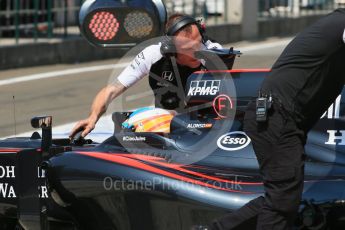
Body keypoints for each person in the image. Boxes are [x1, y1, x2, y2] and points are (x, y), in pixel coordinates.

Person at [194, 8, 345, 230]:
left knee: (283, 199)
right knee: (281, 200)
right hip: (278, 115)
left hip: (280, 116)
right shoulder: (341, 23)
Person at [70, 13, 222, 138]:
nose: (198, 51)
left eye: (199, 42)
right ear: (171, 49)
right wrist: (92, 117)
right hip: (164, 127)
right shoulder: (153, 54)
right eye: (189, 49)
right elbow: (111, 90)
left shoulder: (214, 52)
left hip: (205, 127)